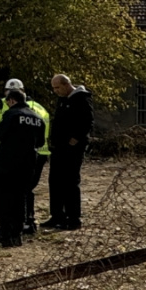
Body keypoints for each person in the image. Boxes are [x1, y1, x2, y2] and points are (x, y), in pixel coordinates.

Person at [0, 89, 46, 248]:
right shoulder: (37, 118)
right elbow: (40, 143)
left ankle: (4, 235)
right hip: (27, 164)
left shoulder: (11, 115)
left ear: (12, 100)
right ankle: (17, 234)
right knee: (20, 199)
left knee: (6, 198)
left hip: (7, 163)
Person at [43, 74, 94, 230]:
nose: (55, 91)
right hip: (58, 147)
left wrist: (76, 138)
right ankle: (57, 215)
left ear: (66, 85)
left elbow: (88, 121)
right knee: (55, 181)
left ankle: (73, 218)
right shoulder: (62, 100)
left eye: (57, 87)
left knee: (70, 182)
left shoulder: (81, 99)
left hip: (72, 149)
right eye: (53, 88)